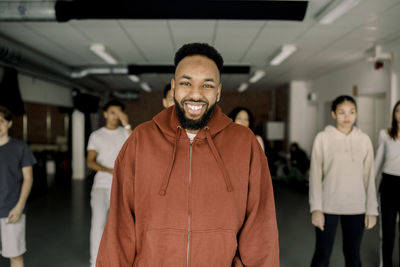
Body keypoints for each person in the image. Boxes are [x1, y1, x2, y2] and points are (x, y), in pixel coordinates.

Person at [97, 43, 279, 267]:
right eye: (186, 83)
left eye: (207, 85)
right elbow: (119, 225)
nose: (196, 94)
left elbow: (261, 227)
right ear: (173, 87)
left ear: (219, 91)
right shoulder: (140, 141)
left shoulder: (245, 143)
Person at [309, 95, 378, 267]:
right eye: (341, 112)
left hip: (357, 206)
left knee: (353, 255)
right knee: (322, 254)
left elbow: (370, 177)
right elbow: (315, 176)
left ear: (356, 114)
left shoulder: (364, 139)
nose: (347, 117)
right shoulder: (323, 138)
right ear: (333, 114)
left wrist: (371, 210)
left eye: (351, 112)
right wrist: (316, 208)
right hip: (328, 205)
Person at [86, 100, 132, 267]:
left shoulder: (125, 133)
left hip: (122, 188)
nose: (116, 116)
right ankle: (94, 262)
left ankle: (118, 261)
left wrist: (127, 124)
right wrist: (109, 170)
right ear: (105, 114)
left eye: (119, 113)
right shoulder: (96, 135)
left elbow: (139, 146)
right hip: (101, 187)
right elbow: (90, 161)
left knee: (122, 226)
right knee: (98, 225)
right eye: (113, 112)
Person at [0, 106, 36, 267]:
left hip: (11, 209)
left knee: (15, 257)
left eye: (1, 121)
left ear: (9, 124)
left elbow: (28, 178)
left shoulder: (20, 147)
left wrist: (20, 206)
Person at [374, 100, 400, 267]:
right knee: (388, 233)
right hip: (389, 185)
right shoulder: (385, 134)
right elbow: (377, 161)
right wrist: (369, 186)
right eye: (398, 111)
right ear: (394, 114)